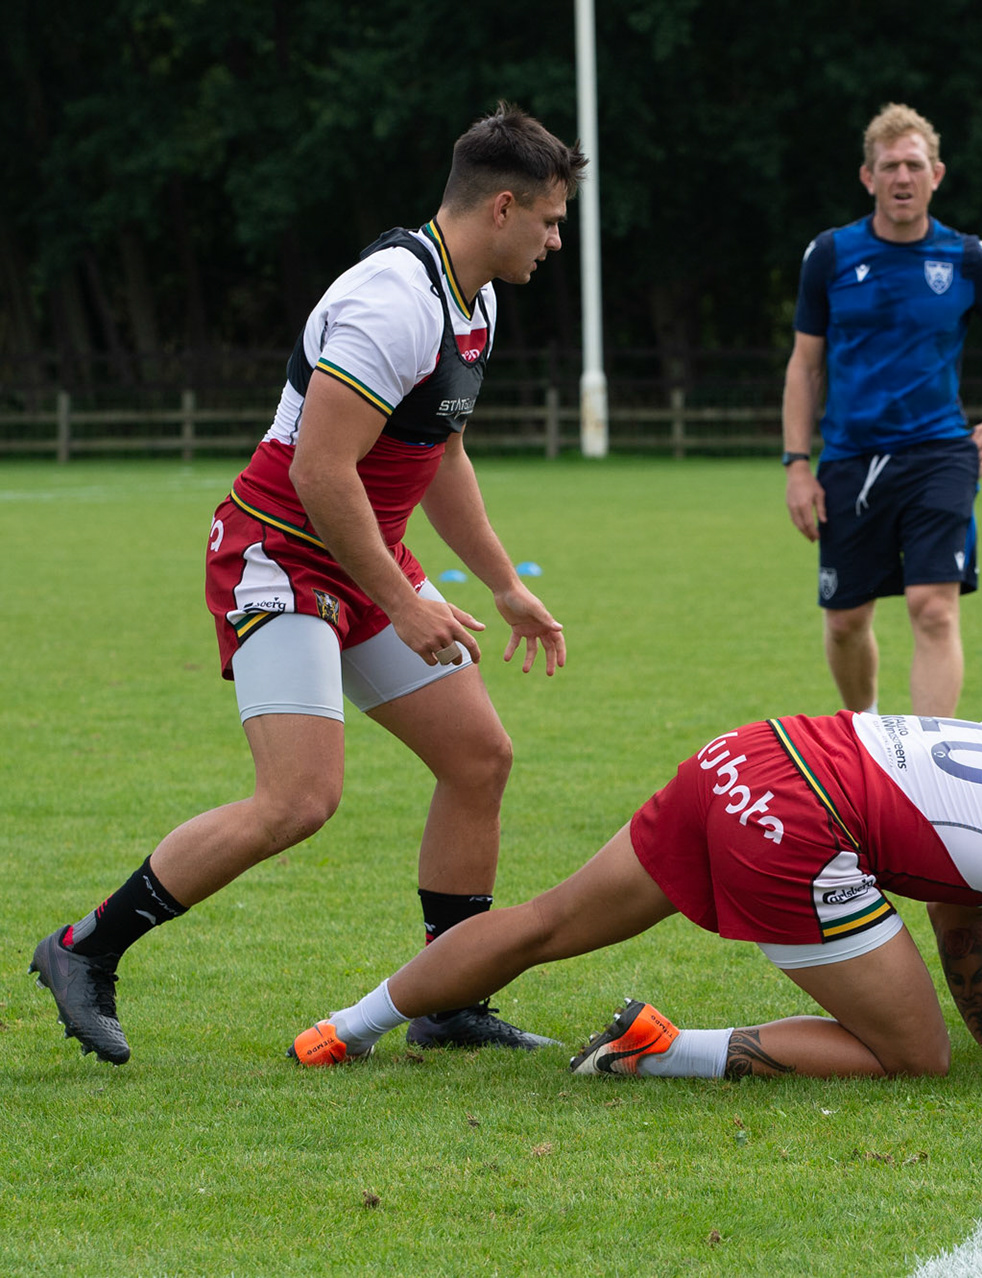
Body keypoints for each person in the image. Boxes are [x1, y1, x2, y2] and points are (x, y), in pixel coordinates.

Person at [30, 104, 585, 1065]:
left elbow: (439, 452)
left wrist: (500, 584)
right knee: (297, 799)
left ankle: (450, 998)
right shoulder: (392, 300)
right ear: (503, 207)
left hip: (361, 553)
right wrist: (406, 601)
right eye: (550, 219)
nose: (556, 238)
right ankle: (85, 949)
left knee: (478, 759)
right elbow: (318, 473)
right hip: (280, 550)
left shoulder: (474, 299)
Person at [289, 712, 982, 1083]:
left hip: (754, 752)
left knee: (545, 920)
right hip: (801, 827)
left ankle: (343, 1029)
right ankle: (660, 1052)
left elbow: (960, 895)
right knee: (913, 1058)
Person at [781, 104, 982, 719]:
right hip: (850, 459)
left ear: (937, 174)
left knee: (933, 606)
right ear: (868, 177)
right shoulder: (829, 255)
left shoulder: (968, 258)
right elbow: (804, 365)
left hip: (940, 453)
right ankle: (868, 732)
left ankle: (927, 763)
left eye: (915, 165)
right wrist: (797, 463)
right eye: (890, 166)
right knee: (846, 619)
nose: (903, 177)